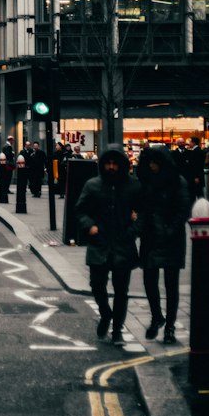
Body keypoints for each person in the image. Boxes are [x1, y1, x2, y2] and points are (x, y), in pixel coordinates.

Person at [76, 145, 141, 346]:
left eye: (115, 164)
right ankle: (106, 314)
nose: (111, 167)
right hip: (99, 244)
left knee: (121, 291)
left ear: (122, 165)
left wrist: (132, 231)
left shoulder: (133, 186)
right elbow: (80, 211)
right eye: (108, 163)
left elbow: (144, 214)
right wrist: (90, 225)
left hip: (123, 245)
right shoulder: (92, 185)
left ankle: (117, 331)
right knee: (97, 286)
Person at [136, 145, 191, 344]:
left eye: (155, 163)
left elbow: (183, 209)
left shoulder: (177, 182)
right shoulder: (146, 181)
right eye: (149, 162)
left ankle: (170, 326)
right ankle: (157, 316)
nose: (151, 166)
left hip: (171, 238)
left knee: (171, 285)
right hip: (150, 237)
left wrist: (169, 229)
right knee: (149, 281)